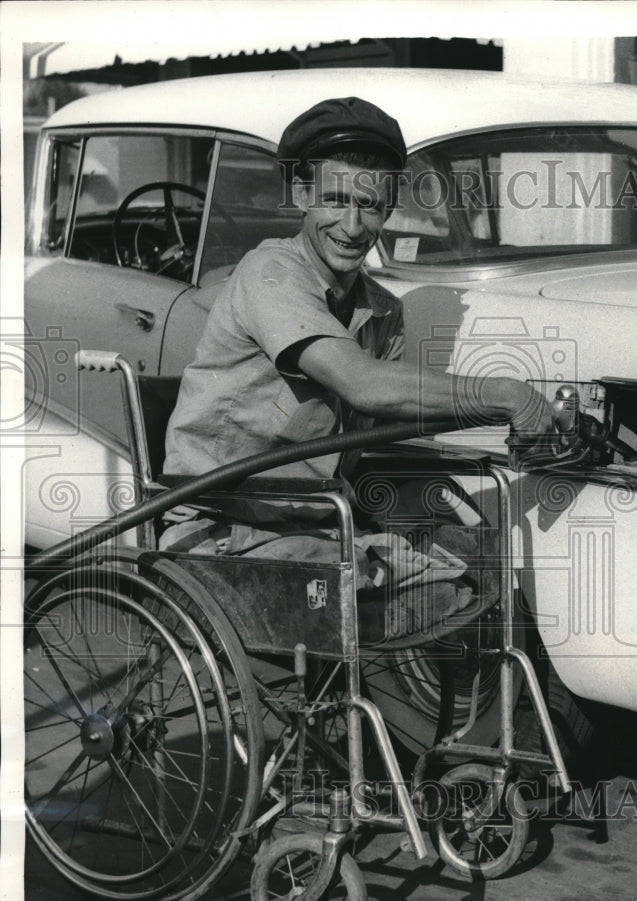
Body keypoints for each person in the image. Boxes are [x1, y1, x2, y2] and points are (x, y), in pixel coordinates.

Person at [160, 96, 553, 579]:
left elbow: (394, 411)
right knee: (405, 585)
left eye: (368, 206)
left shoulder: (382, 310)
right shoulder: (270, 272)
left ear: (388, 209)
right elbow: (363, 384)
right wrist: (507, 394)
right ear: (302, 196)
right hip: (223, 523)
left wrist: (522, 421)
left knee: (469, 554)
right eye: (335, 200)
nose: (351, 227)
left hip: (317, 520)